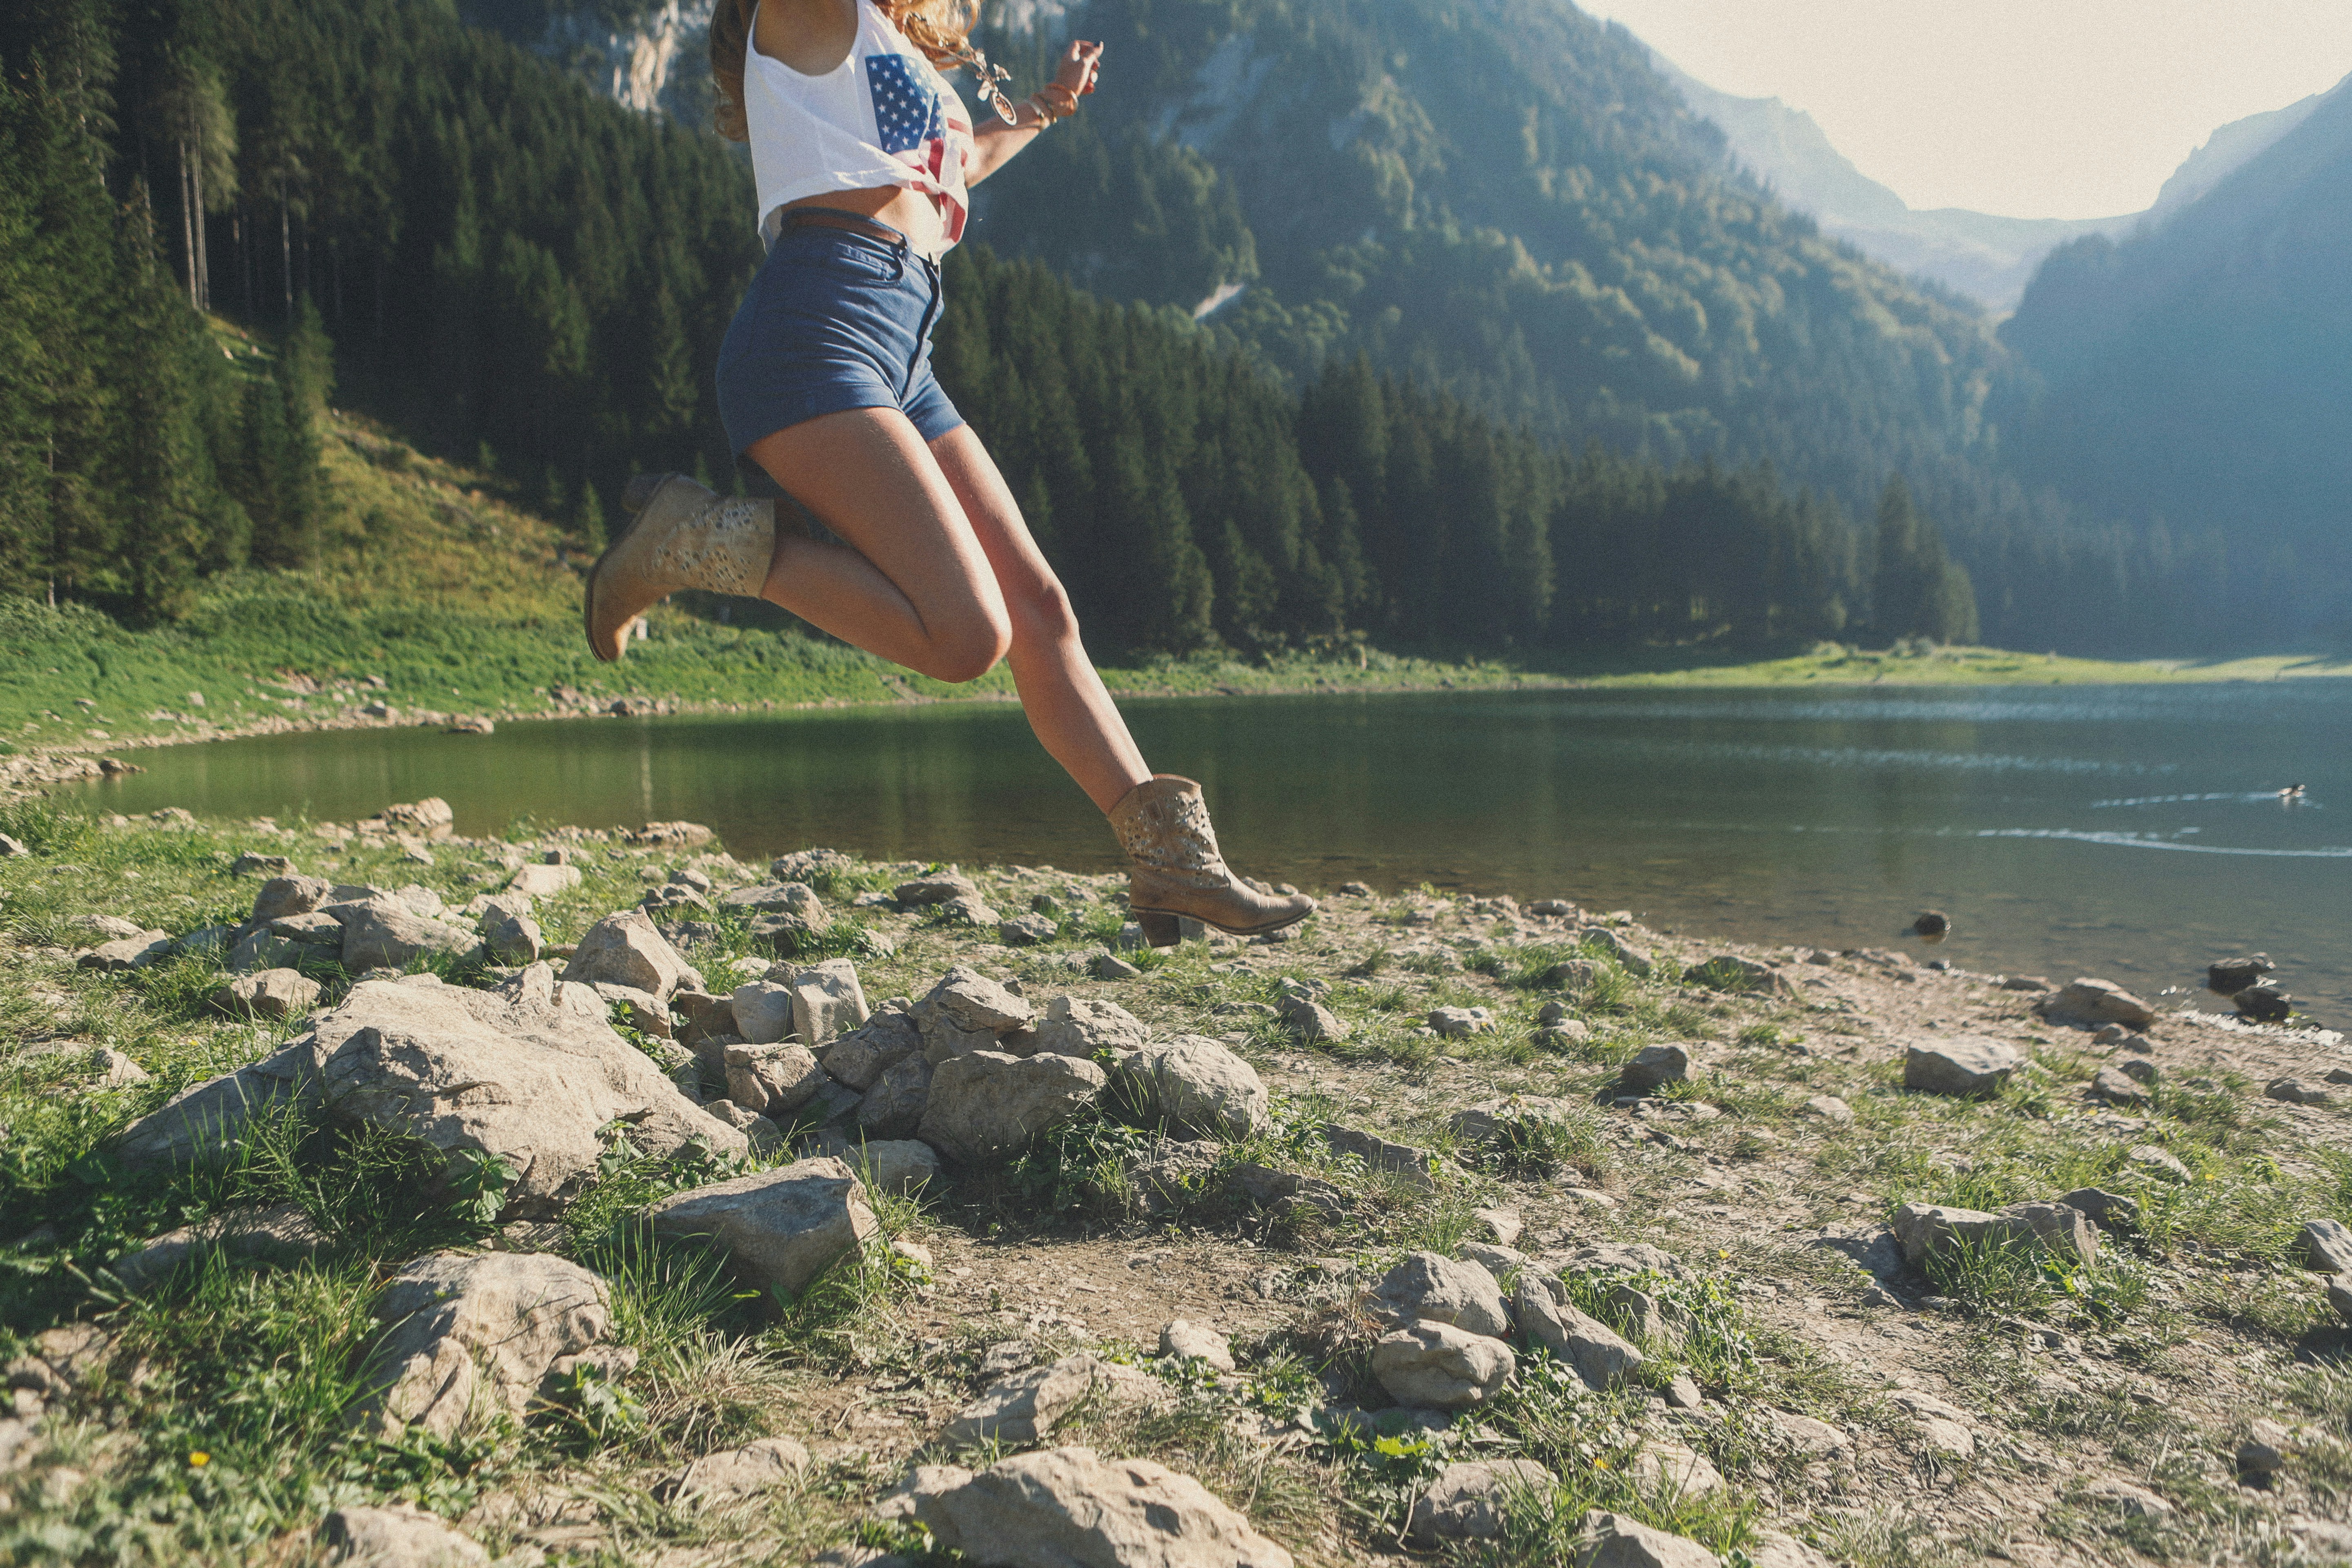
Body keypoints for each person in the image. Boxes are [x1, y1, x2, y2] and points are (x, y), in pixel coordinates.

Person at [582, 0, 1312, 945]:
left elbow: (954, 169)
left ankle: (1171, 866)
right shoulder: (813, 19)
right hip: (814, 332)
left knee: (1041, 611)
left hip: (903, 345)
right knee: (967, 634)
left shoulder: (889, 56)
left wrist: (1044, 109)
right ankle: (694, 540)